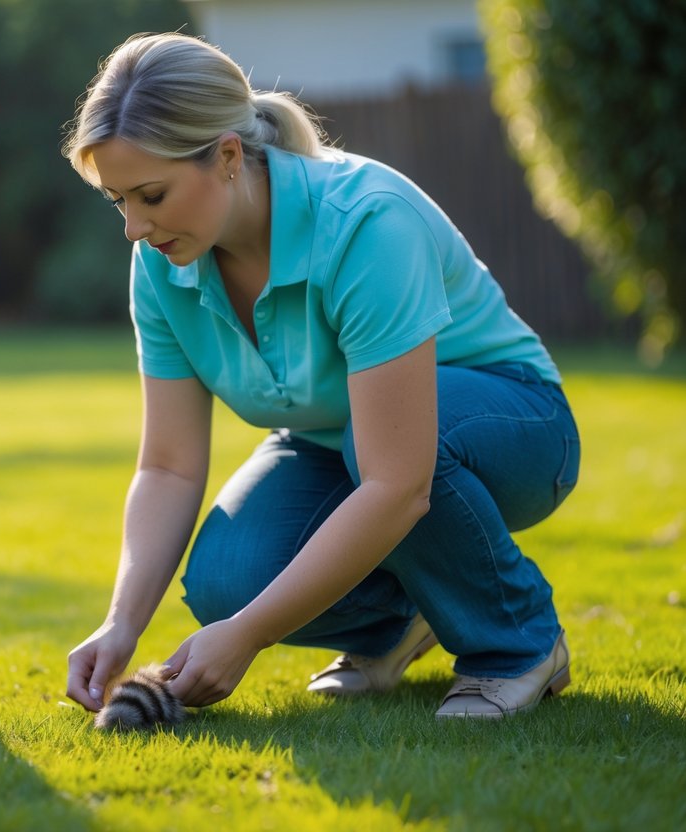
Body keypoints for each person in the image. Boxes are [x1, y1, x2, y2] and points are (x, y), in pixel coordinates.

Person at [62, 32, 580, 719]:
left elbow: (397, 481)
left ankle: (516, 646)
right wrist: (121, 621)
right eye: (118, 200)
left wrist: (249, 636)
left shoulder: (365, 222)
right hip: (342, 441)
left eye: (150, 194)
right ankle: (404, 619)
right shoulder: (162, 260)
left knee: (377, 461)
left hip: (513, 425)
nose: (133, 227)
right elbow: (167, 466)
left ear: (224, 156)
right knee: (224, 580)